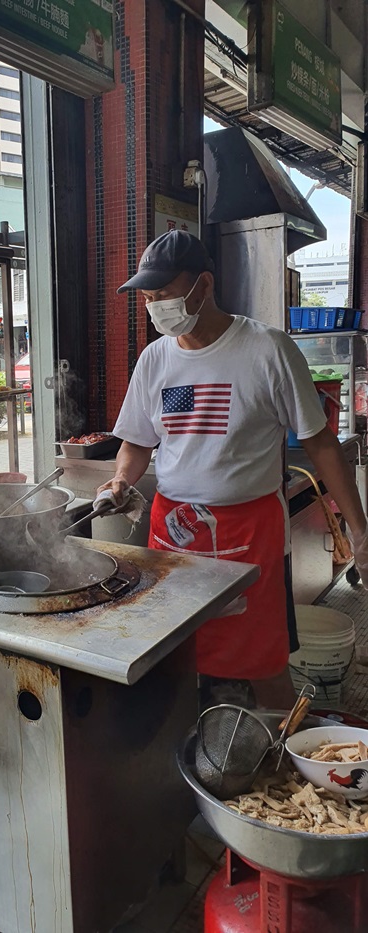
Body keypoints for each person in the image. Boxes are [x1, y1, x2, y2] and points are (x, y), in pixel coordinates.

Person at [98, 230, 368, 709]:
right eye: (148, 296)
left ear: (203, 285)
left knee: (262, 661)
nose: (155, 305)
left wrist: (361, 530)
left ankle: (283, 769)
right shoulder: (155, 359)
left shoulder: (267, 349)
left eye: (164, 294)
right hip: (175, 533)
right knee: (177, 656)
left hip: (250, 535)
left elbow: (322, 443)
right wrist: (122, 478)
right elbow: (137, 442)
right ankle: (192, 749)